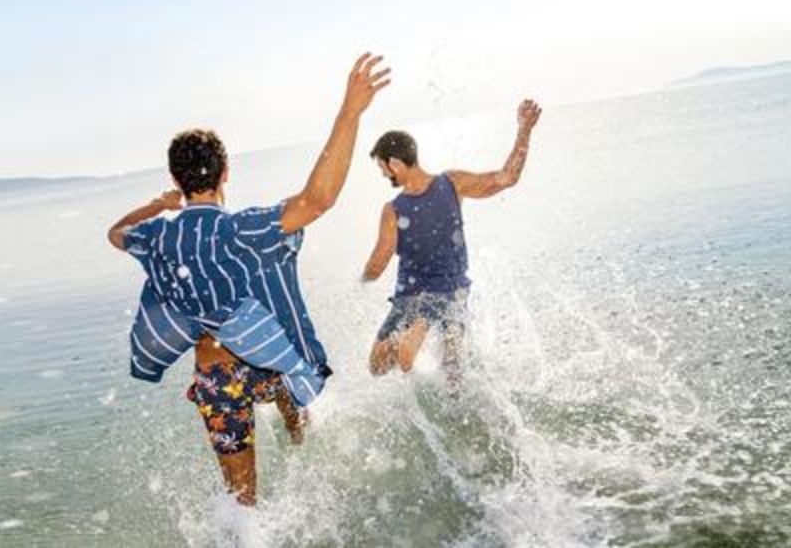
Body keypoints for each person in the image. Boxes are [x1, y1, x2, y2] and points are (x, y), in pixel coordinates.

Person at [107, 53, 391, 505]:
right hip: (266, 367)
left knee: (242, 500)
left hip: (217, 377)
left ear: (176, 180)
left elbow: (116, 233)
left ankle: (248, 522)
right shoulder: (244, 229)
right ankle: (300, 445)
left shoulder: (159, 237)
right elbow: (317, 200)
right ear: (226, 173)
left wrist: (157, 207)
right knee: (292, 394)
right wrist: (349, 112)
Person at [362, 99, 542, 382]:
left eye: (383, 167)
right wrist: (524, 130)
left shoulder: (393, 210)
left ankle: (410, 335)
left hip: (412, 294)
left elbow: (378, 262)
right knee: (454, 375)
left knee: (377, 365)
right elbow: (506, 178)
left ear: (395, 163)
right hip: (452, 292)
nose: (384, 174)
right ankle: (419, 333)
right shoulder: (452, 183)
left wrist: (362, 278)